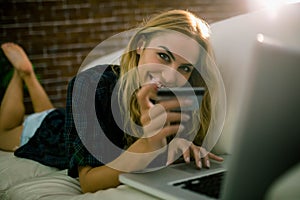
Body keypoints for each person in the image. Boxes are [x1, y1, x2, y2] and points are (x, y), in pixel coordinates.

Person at [0, 9, 224, 193]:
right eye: (164, 56)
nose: (169, 76)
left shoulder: (176, 97)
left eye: (184, 68)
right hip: (50, 130)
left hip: (71, 118)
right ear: (141, 45)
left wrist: (174, 147)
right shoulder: (90, 83)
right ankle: (23, 74)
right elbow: (88, 182)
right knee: (6, 131)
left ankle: (28, 77)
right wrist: (147, 145)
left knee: (52, 112)